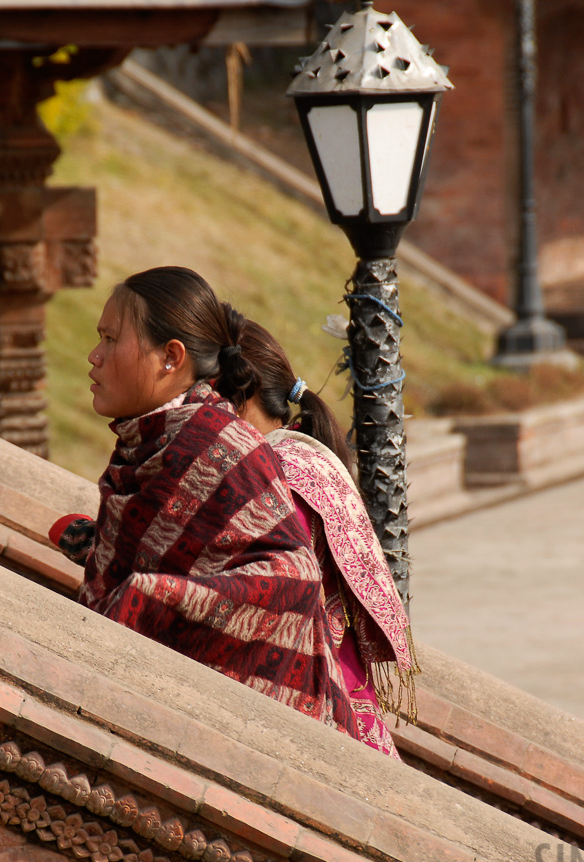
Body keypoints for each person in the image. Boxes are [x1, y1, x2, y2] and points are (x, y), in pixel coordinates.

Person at [48, 266, 357, 738]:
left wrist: (154, 598)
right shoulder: (147, 443)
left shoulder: (216, 444)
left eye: (111, 339)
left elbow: (293, 578)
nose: (94, 356)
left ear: (170, 357)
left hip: (272, 736)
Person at [236, 320, 417, 758]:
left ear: (238, 396)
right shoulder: (298, 458)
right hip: (344, 695)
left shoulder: (280, 480)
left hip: (324, 711)